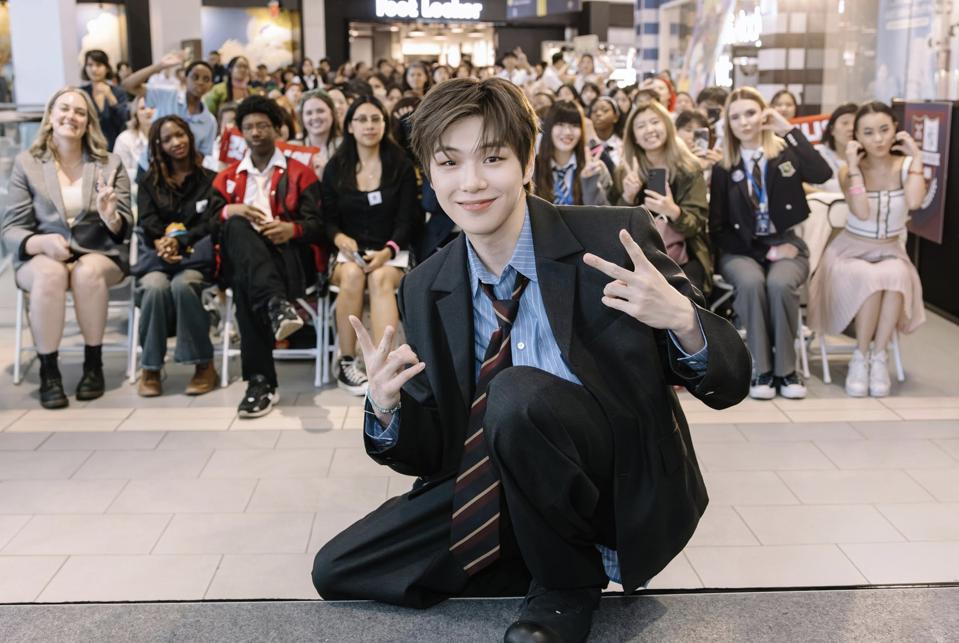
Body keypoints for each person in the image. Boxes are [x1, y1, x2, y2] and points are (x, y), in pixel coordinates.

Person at [312, 76, 750, 643]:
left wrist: (686, 323)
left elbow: (731, 383)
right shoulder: (426, 285)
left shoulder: (612, 241)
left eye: (492, 158)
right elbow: (432, 454)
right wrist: (387, 406)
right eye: (449, 163)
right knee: (339, 569)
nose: (470, 182)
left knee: (516, 392)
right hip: (498, 475)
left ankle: (566, 586)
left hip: (611, 478)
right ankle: (527, 547)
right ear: (429, 173)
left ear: (527, 161)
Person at [1, 87, 132, 408]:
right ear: (50, 116)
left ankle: (93, 365)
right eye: (64, 109)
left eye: (79, 112)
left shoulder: (110, 163)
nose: (70, 116)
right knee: (50, 275)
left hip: (100, 253)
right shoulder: (27, 164)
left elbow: (124, 228)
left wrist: (109, 214)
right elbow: (11, 229)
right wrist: (39, 242)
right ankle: (50, 372)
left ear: (89, 123)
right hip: (45, 254)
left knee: (87, 273)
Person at [709, 87, 831, 400]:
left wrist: (788, 129)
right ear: (728, 124)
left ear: (763, 114)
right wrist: (765, 251)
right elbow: (718, 228)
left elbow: (822, 172)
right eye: (735, 117)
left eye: (751, 113)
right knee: (751, 283)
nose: (744, 122)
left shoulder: (784, 154)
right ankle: (760, 368)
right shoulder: (724, 168)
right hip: (740, 248)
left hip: (787, 243)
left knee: (779, 284)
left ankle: (786, 370)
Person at [210, 96, 326, 417]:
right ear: (241, 134)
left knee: (248, 287)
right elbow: (206, 225)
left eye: (262, 125)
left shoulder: (301, 174)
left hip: (289, 261)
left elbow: (319, 225)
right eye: (248, 127)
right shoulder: (228, 178)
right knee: (235, 224)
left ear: (278, 130)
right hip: (246, 262)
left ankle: (260, 383)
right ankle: (276, 306)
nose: (256, 132)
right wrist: (228, 209)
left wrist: (292, 230)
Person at [808, 101, 927, 397]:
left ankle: (879, 356)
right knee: (870, 279)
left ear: (896, 130)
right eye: (869, 132)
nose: (878, 139)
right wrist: (854, 169)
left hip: (890, 249)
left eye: (884, 130)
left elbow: (913, 202)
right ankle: (862, 356)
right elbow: (860, 211)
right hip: (849, 252)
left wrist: (918, 159)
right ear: (857, 137)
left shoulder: (907, 166)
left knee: (897, 274)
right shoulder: (849, 170)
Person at [321, 96, 420, 395]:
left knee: (379, 278)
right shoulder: (336, 166)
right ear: (349, 126)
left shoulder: (399, 164)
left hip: (393, 252)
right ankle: (346, 363)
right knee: (351, 274)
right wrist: (340, 238)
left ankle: (383, 366)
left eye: (375, 119)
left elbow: (408, 220)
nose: (369, 125)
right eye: (361, 119)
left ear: (384, 124)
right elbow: (326, 220)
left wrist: (388, 250)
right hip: (346, 253)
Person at [135, 115, 219, 396]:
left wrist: (181, 242)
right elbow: (146, 221)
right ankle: (150, 367)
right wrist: (163, 243)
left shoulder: (209, 179)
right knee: (153, 287)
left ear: (190, 136)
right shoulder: (149, 182)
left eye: (180, 135)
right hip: (158, 259)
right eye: (168, 139)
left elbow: (212, 222)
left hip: (195, 258)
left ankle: (203, 365)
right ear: (158, 145)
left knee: (184, 285)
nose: (176, 143)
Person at [609, 100, 713, 295]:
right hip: (637, 256)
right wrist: (627, 198)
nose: (649, 129)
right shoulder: (625, 172)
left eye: (655, 122)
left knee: (684, 295)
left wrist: (673, 211)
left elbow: (696, 225)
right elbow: (613, 226)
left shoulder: (689, 169)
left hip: (685, 256)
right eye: (641, 126)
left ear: (667, 126)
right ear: (634, 137)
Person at [121, 52, 218, 172]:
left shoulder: (209, 121)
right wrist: (159, 66)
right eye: (195, 77)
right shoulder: (168, 95)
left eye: (206, 79)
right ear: (185, 79)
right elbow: (128, 85)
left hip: (181, 176)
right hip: (150, 167)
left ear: (211, 86)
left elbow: (201, 155)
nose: (200, 82)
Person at [534, 100, 611, 207]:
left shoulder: (595, 168)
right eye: (560, 124)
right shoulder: (532, 167)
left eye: (574, 125)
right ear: (549, 127)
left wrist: (590, 183)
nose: (567, 132)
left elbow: (606, 215)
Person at [80, 50, 129, 150]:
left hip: (115, 147)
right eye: (90, 65)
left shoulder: (117, 92)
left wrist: (110, 97)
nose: (94, 69)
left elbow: (124, 120)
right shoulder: (81, 93)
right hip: (88, 147)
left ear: (106, 68)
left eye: (98, 65)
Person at [810, 102, 857, 193]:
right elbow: (800, 183)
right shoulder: (816, 153)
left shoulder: (868, 157)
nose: (851, 128)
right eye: (845, 123)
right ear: (832, 130)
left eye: (856, 124)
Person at [297, 89, 342, 179]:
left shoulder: (346, 147)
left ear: (332, 113)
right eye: (309, 113)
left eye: (320, 111)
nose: (315, 117)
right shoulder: (293, 150)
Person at [113, 95, 154, 185]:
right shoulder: (124, 140)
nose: (148, 111)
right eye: (142, 108)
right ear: (136, 114)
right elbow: (120, 177)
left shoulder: (167, 139)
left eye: (152, 107)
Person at [675, 109, 723, 175]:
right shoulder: (669, 159)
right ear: (676, 131)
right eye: (688, 130)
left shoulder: (711, 159)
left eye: (699, 132)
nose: (692, 136)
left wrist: (720, 167)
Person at [588, 96, 622, 165]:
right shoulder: (586, 145)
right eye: (594, 111)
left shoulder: (624, 143)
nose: (598, 114)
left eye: (605, 110)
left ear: (616, 117)